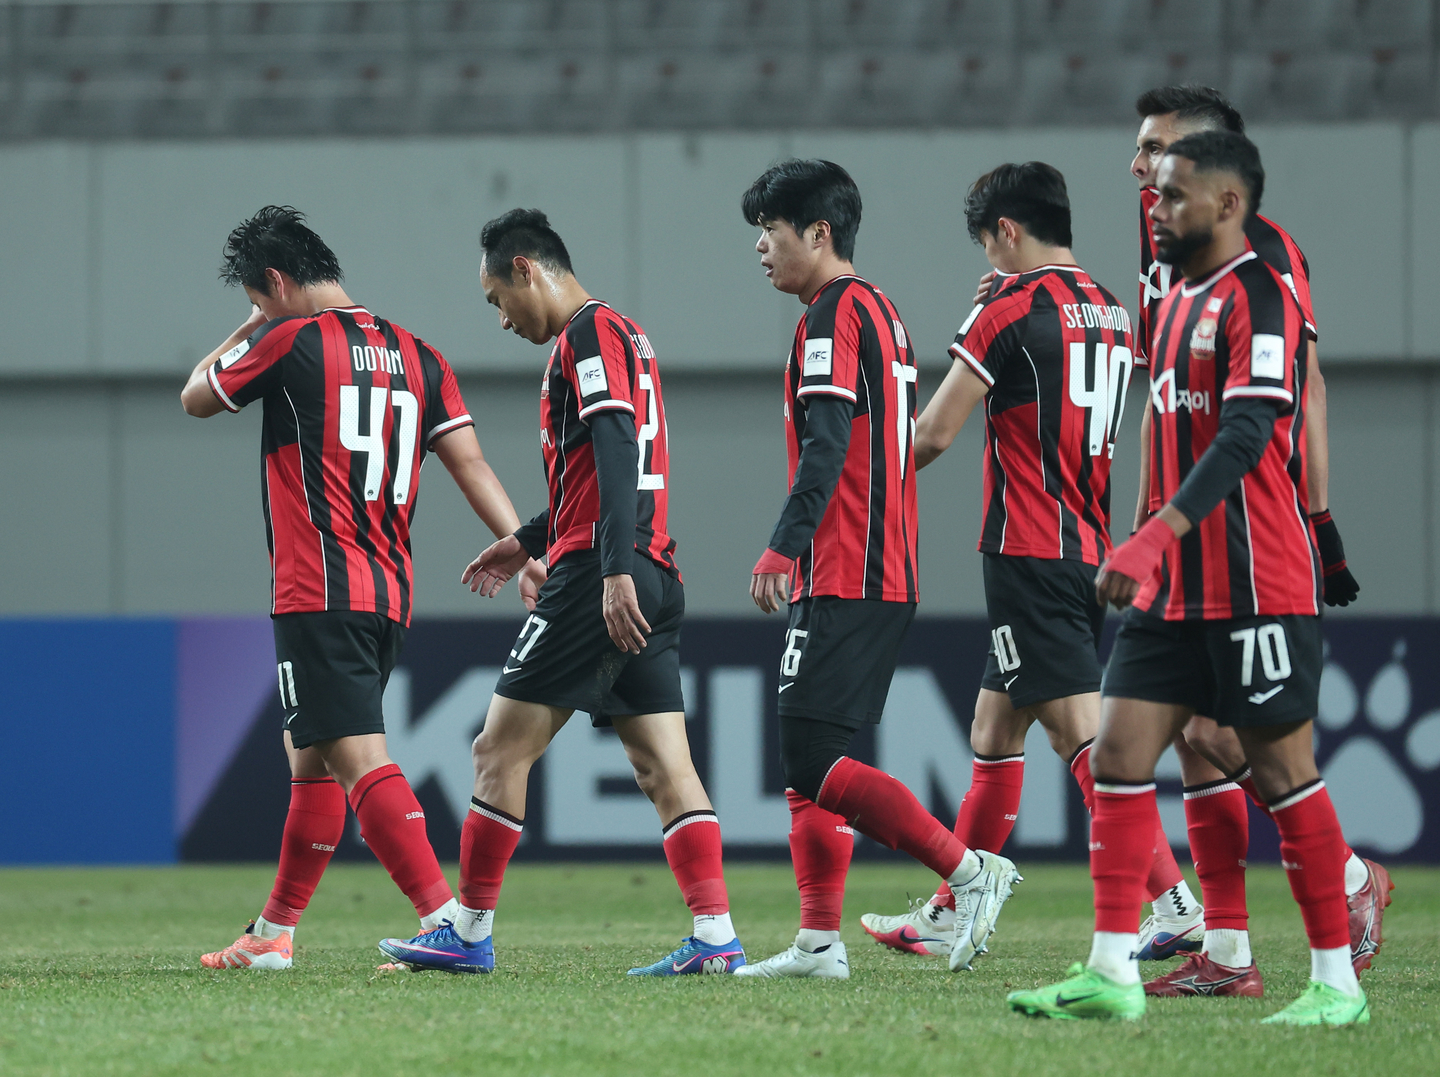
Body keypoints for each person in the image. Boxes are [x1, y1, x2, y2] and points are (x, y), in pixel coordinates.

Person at [1008, 131, 1369, 1026]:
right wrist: (1139, 534)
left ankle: (1335, 984)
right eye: (1154, 193)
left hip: (1257, 581)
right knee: (1122, 759)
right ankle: (1109, 972)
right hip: (1171, 589)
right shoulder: (1169, 306)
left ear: (1227, 204)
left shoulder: (1263, 297)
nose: (1155, 207)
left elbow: (1248, 437)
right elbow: (1160, 435)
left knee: (1284, 772)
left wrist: (1156, 534)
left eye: (1172, 194)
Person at [376, 209, 745, 976]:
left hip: (601, 575)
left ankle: (467, 931)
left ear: (524, 268)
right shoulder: (623, 334)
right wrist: (528, 540)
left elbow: (615, 449)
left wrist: (607, 569)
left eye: (495, 299)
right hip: (650, 567)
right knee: (662, 763)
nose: (502, 319)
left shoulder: (586, 335)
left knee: (497, 747)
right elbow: (602, 472)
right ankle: (716, 937)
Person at [181, 206, 536, 970]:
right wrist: (522, 548)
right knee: (310, 755)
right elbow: (469, 463)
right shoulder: (420, 354)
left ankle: (450, 921)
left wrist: (246, 328)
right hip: (388, 592)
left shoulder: (286, 339)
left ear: (273, 283)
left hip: (317, 586)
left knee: (355, 754)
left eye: (257, 297)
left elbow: (196, 396)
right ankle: (275, 929)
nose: (259, 313)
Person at [857, 162, 1174, 958]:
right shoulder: (1111, 309)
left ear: (1005, 231)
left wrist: (850, 472)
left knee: (1085, 745)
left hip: (1029, 548)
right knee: (994, 729)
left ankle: (1172, 899)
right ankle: (947, 906)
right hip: (1085, 544)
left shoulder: (1007, 306)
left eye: (987, 243)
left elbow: (930, 434)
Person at [1128, 86, 1388, 997]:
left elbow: (1300, 387)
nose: (1141, 166)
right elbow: (1164, 406)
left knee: (1231, 735)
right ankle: (1228, 953)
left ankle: (1349, 877)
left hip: (1248, 531)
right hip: (1182, 533)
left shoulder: (1264, 260)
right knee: (1196, 741)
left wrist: (1320, 518)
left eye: (1157, 148)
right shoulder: (1166, 257)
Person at [731, 159, 1019, 982]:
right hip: (877, 562)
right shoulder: (882, 310)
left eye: (771, 230)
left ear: (817, 234)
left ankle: (968, 872)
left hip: (848, 565)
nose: (760, 247)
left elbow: (827, 444)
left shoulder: (831, 316)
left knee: (810, 760)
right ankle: (820, 943)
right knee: (807, 765)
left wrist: (786, 541)